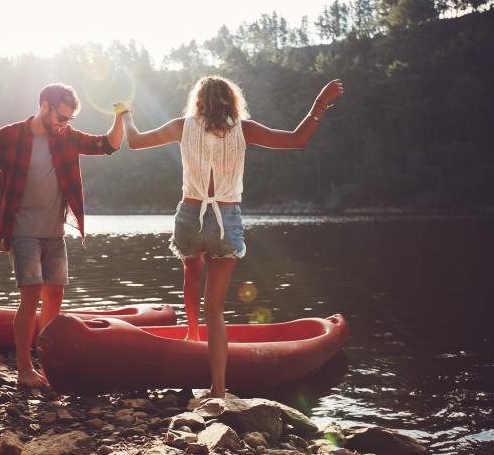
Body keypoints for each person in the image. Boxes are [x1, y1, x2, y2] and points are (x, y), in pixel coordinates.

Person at [117, 76, 343, 397]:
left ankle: (192, 334)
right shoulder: (243, 128)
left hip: (190, 215)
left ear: (198, 101)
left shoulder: (183, 126)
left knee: (191, 274)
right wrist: (321, 102)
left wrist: (125, 114)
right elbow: (297, 139)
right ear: (232, 100)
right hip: (226, 217)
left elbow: (135, 141)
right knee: (216, 310)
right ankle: (218, 389)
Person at [0, 83, 123, 388]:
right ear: (45, 106)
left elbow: (108, 144)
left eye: (69, 119)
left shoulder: (67, 138)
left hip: (54, 234)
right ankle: (24, 369)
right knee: (30, 296)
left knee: (54, 297)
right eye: (61, 117)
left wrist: (121, 116)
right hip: (21, 231)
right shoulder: (9, 136)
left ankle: (49, 365)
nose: (64, 124)